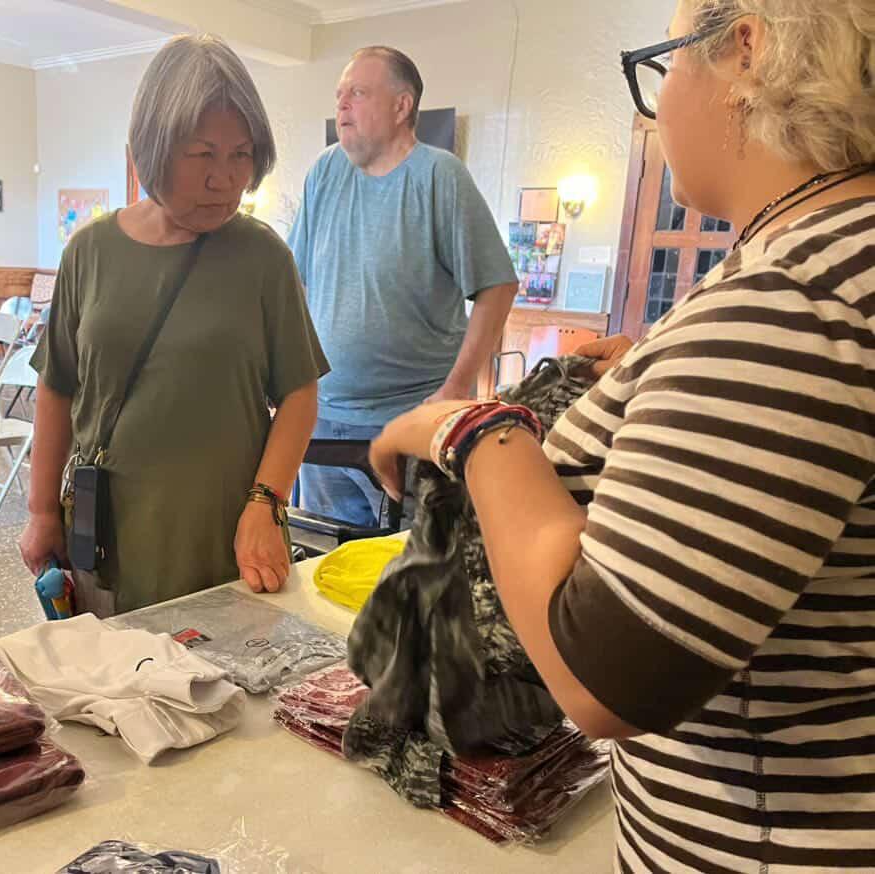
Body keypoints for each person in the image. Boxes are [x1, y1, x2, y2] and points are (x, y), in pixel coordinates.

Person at [370, 0, 875, 869]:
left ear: (744, 51)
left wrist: (471, 427)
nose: (659, 100)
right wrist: (659, 376)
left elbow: (608, 676)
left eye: (665, 62)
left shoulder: (790, 300)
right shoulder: (833, 273)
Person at [19, 35, 327, 616]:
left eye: (241, 154)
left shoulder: (263, 256)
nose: (224, 178)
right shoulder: (90, 250)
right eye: (202, 154)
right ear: (152, 147)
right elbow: (57, 386)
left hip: (227, 539)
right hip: (108, 537)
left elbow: (299, 393)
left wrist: (267, 502)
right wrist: (40, 511)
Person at [288, 46, 518, 528]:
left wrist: (456, 388)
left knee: (407, 563)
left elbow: (497, 286)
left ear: (401, 105)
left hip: (409, 423)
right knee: (322, 559)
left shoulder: (439, 176)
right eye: (339, 94)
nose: (342, 104)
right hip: (321, 420)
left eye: (358, 93)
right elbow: (297, 284)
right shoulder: (323, 173)